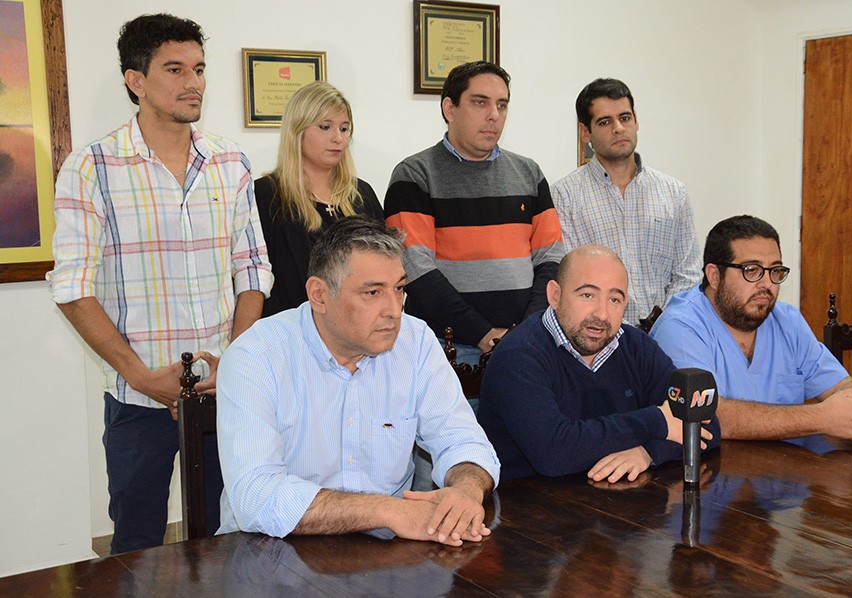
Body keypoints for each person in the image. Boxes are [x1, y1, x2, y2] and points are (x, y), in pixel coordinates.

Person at [48, 14, 272, 554]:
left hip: (222, 393)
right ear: (136, 81)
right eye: (175, 69)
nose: (193, 82)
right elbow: (73, 288)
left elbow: (253, 269)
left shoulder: (230, 162)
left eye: (199, 68)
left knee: (230, 536)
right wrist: (144, 378)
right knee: (137, 544)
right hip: (136, 398)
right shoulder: (92, 166)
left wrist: (234, 363)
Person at [216, 217, 500, 547]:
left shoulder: (416, 341)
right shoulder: (256, 355)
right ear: (319, 295)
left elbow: (464, 441)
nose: (394, 310)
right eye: (373, 292)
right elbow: (256, 496)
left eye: (399, 289)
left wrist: (466, 490)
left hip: (386, 552)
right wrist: (389, 511)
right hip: (268, 550)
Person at [477, 245, 719, 482]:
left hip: (616, 498)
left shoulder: (636, 346)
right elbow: (554, 453)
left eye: (614, 299)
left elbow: (708, 425)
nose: (602, 314)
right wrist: (657, 421)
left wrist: (648, 452)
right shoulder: (519, 355)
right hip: (526, 501)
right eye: (587, 295)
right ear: (555, 295)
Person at [384, 61, 565, 364]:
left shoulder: (529, 173)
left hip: (525, 343)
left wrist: (527, 330)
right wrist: (482, 333)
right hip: (446, 349)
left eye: (502, 105)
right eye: (480, 102)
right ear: (450, 109)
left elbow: (551, 258)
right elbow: (415, 268)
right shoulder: (415, 175)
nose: (494, 115)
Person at [650, 215, 852, 441]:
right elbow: (710, 416)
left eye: (775, 271)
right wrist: (822, 418)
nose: (767, 284)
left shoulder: (787, 320)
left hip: (788, 464)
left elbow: (842, 385)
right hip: (708, 466)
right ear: (714, 276)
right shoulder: (680, 327)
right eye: (752, 270)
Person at [551, 78, 700, 326]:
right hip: (600, 335)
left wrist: (664, 329)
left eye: (625, 118)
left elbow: (689, 274)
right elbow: (571, 281)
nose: (618, 128)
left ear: (636, 120)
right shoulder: (565, 196)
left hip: (668, 334)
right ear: (585, 132)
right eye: (605, 122)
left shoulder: (674, 192)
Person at [255, 81, 383, 317]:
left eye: (344, 129)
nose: (338, 138)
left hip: (358, 326)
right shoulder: (266, 196)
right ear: (297, 131)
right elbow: (254, 280)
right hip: (292, 329)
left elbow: (383, 269)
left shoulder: (362, 194)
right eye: (325, 127)